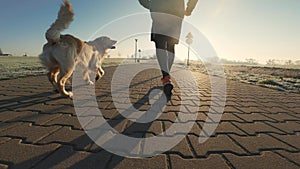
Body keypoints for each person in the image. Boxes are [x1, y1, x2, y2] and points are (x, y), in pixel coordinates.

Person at [138, 0, 198, 98]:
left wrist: (153, 5)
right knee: (171, 45)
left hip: (159, 11)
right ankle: (167, 77)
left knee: (160, 44)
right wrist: (189, 8)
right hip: (176, 11)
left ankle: (166, 78)